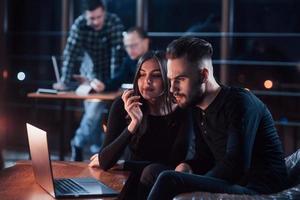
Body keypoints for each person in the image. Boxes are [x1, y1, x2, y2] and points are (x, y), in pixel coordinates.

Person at [147, 37, 288, 200]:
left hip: (259, 189)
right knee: (152, 172)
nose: (172, 89)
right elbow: (204, 158)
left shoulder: (239, 102)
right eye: (171, 80)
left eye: (180, 79)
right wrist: (188, 167)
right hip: (233, 182)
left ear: (203, 75)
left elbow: (235, 166)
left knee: (168, 179)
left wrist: (189, 182)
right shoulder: (197, 107)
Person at [89, 51, 192, 199]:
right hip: (130, 180)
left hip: (160, 180)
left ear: (168, 79)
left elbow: (173, 164)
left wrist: (127, 164)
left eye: (155, 75)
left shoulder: (183, 110)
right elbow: (105, 161)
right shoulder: (123, 105)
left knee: (151, 171)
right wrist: (133, 124)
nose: (147, 81)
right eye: (142, 75)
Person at [53, 0, 124, 161]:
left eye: (99, 17)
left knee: (96, 116)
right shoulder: (79, 25)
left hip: (111, 75)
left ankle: (84, 146)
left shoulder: (114, 22)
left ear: (104, 12)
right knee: (93, 115)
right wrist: (64, 81)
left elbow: (116, 55)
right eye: (92, 18)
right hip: (90, 76)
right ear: (85, 16)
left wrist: (111, 84)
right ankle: (89, 149)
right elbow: (70, 54)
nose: (96, 21)